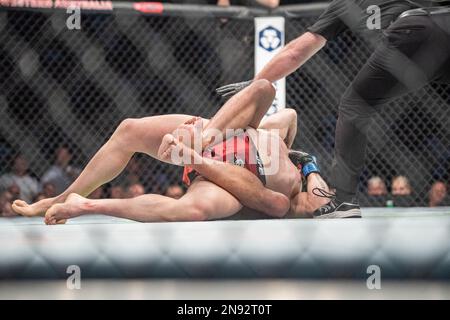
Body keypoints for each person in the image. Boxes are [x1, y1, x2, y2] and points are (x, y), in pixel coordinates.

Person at [216, 1, 450, 218]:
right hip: (441, 27)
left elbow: (297, 51)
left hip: (411, 32)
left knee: (354, 104)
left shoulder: (345, 4)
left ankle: (344, 199)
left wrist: (255, 82)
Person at [12, 80, 330, 223]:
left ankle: (84, 205)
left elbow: (315, 203)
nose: (311, 204)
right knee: (129, 130)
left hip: (225, 181)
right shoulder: (279, 137)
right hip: (217, 137)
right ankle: (54, 199)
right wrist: (301, 159)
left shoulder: (289, 195)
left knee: (193, 211)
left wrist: (308, 166)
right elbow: (286, 113)